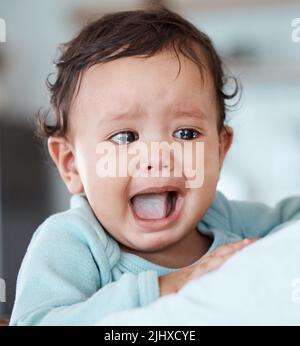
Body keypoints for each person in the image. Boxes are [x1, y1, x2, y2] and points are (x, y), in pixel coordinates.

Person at [10, 7, 300, 325]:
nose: (157, 157)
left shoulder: (224, 219)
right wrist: (162, 289)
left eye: (185, 133)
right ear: (72, 165)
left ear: (220, 151)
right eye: (124, 137)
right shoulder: (75, 242)